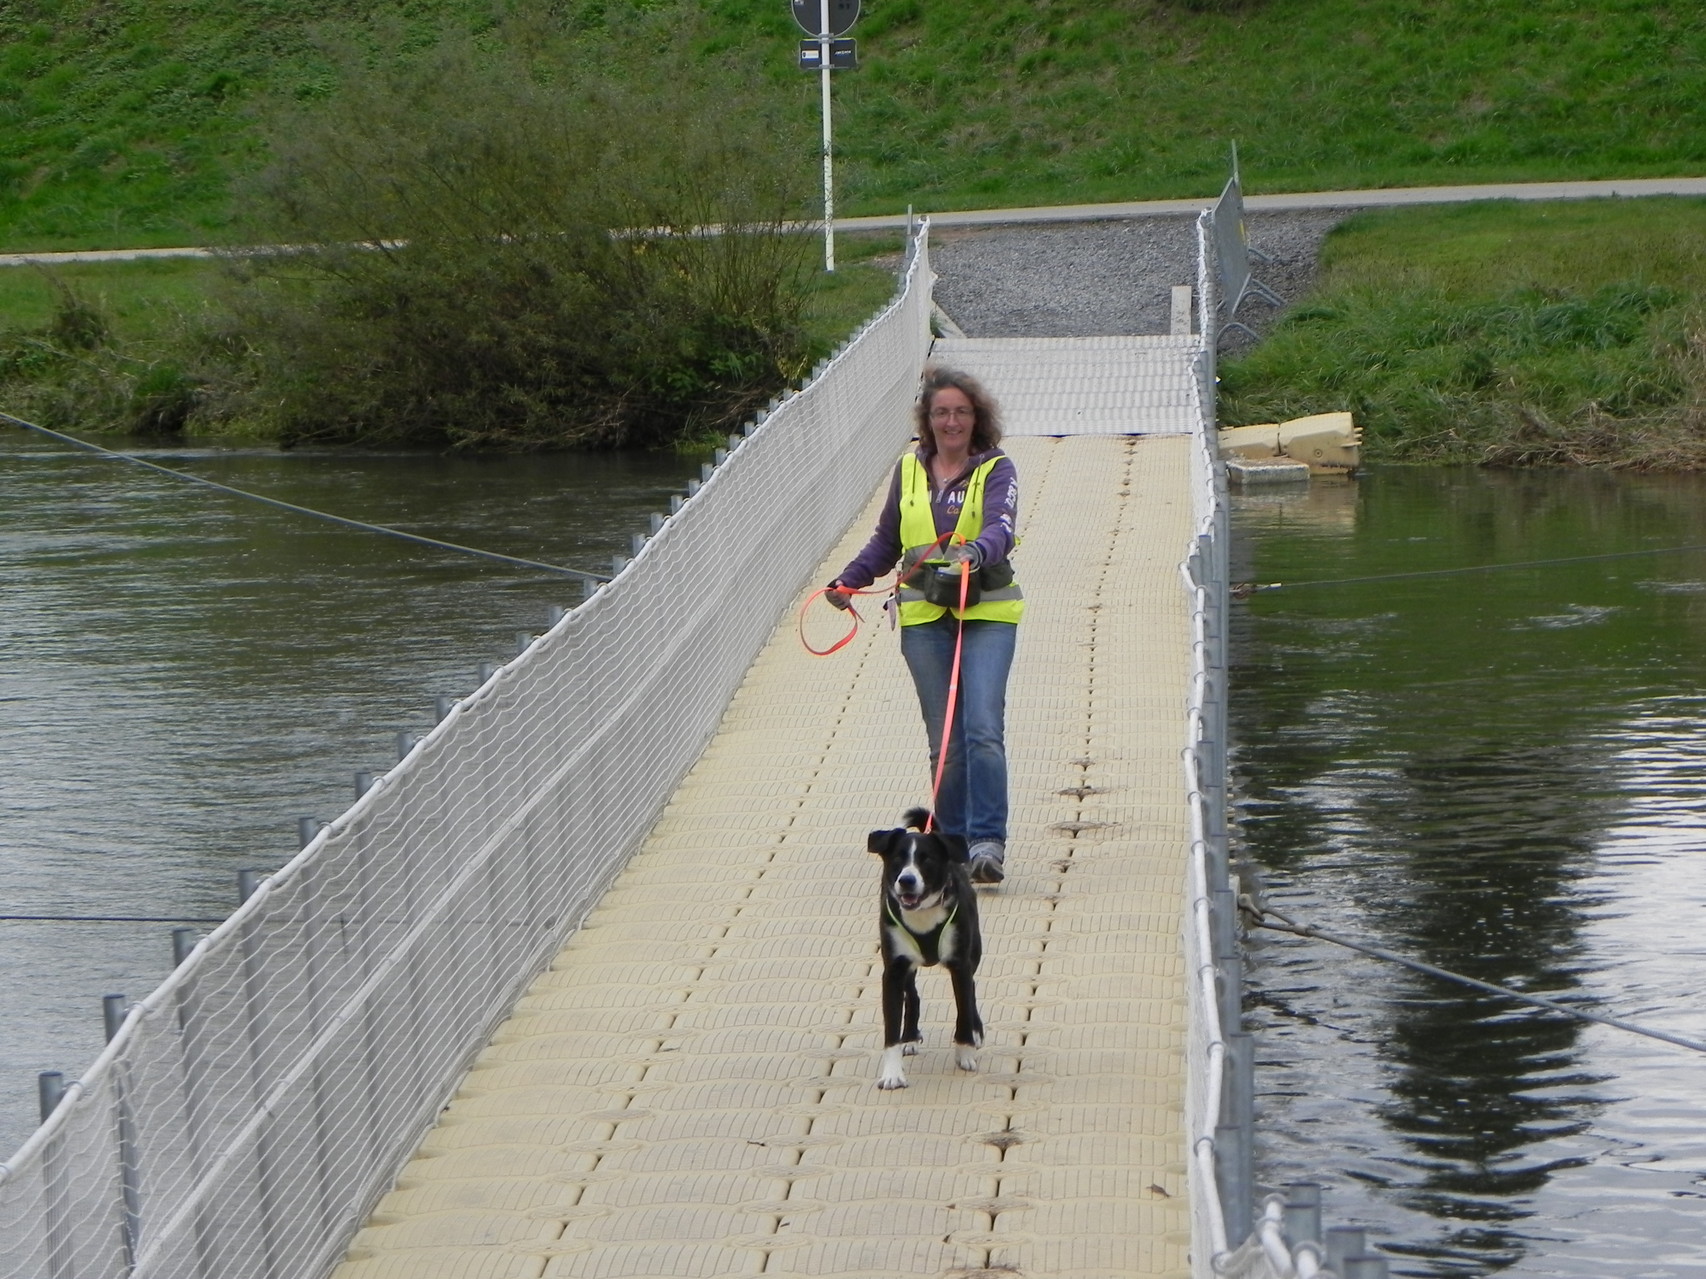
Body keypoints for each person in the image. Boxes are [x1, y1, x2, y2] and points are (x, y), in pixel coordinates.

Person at [828, 366, 1023, 884]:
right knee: (945, 741)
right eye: (942, 412)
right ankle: (952, 846)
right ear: (927, 419)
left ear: (975, 417)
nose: (951, 421)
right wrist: (848, 581)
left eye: (961, 412)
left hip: (987, 611)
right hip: (922, 616)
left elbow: (1002, 526)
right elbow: (886, 539)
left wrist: (976, 553)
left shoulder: (996, 468)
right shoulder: (909, 470)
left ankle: (987, 844)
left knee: (982, 729)